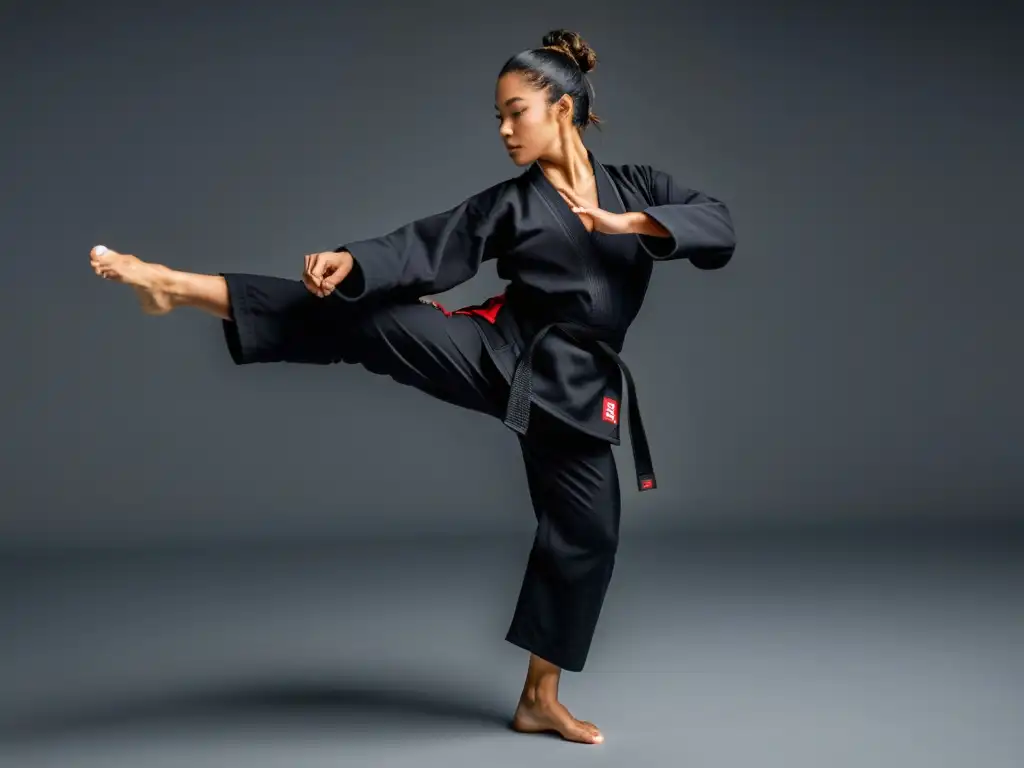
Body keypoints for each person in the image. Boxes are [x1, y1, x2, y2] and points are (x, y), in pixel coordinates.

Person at [89, 29, 736, 744]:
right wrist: (350, 258)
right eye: (496, 116)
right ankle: (174, 285)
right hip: (501, 355)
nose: (503, 129)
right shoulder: (512, 204)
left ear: (562, 107)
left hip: (580, 391)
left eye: (514, 111)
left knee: (588, 535)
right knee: (367, 320)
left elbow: (717, 225)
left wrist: (630, 222)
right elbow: (430, 248)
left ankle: (538, 700)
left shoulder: (638, 187)